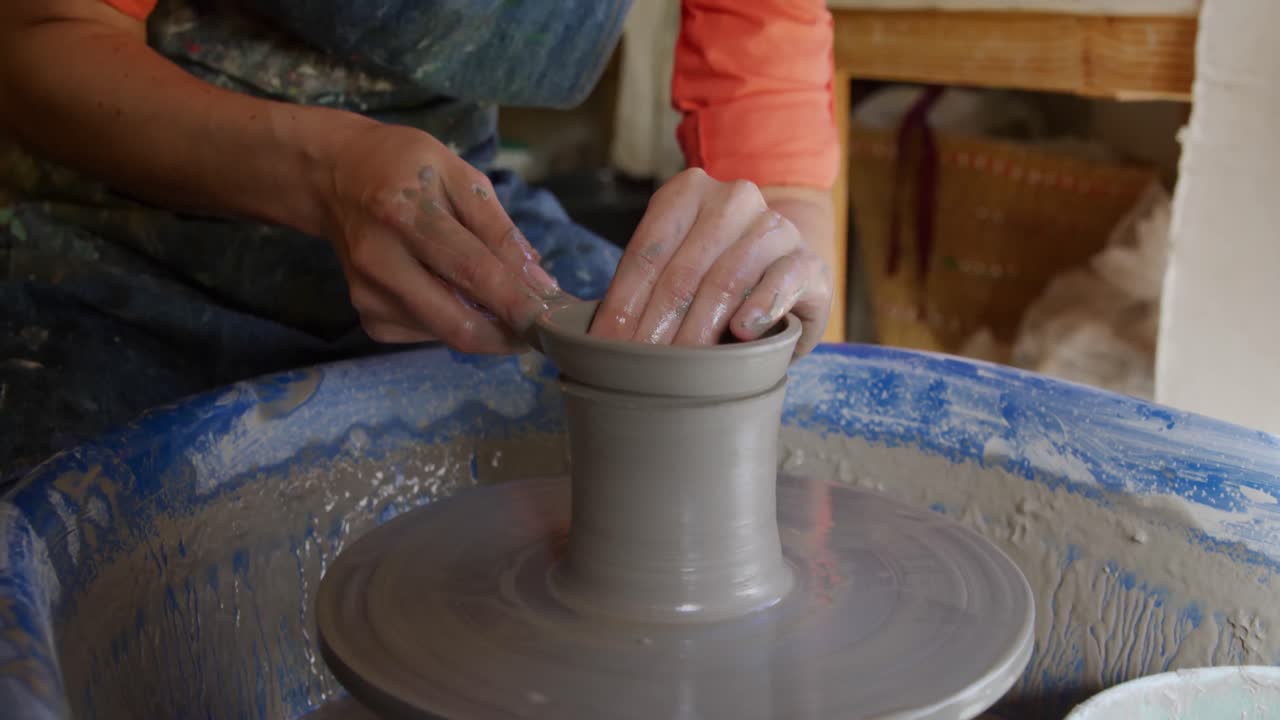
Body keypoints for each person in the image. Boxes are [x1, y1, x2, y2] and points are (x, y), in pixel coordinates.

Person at [0, 0, 839, 481]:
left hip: (458, 207)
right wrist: (327, 175)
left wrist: (776, 262)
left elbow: (769, 101)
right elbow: (40, 39)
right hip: (123, 216)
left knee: (713, 444)